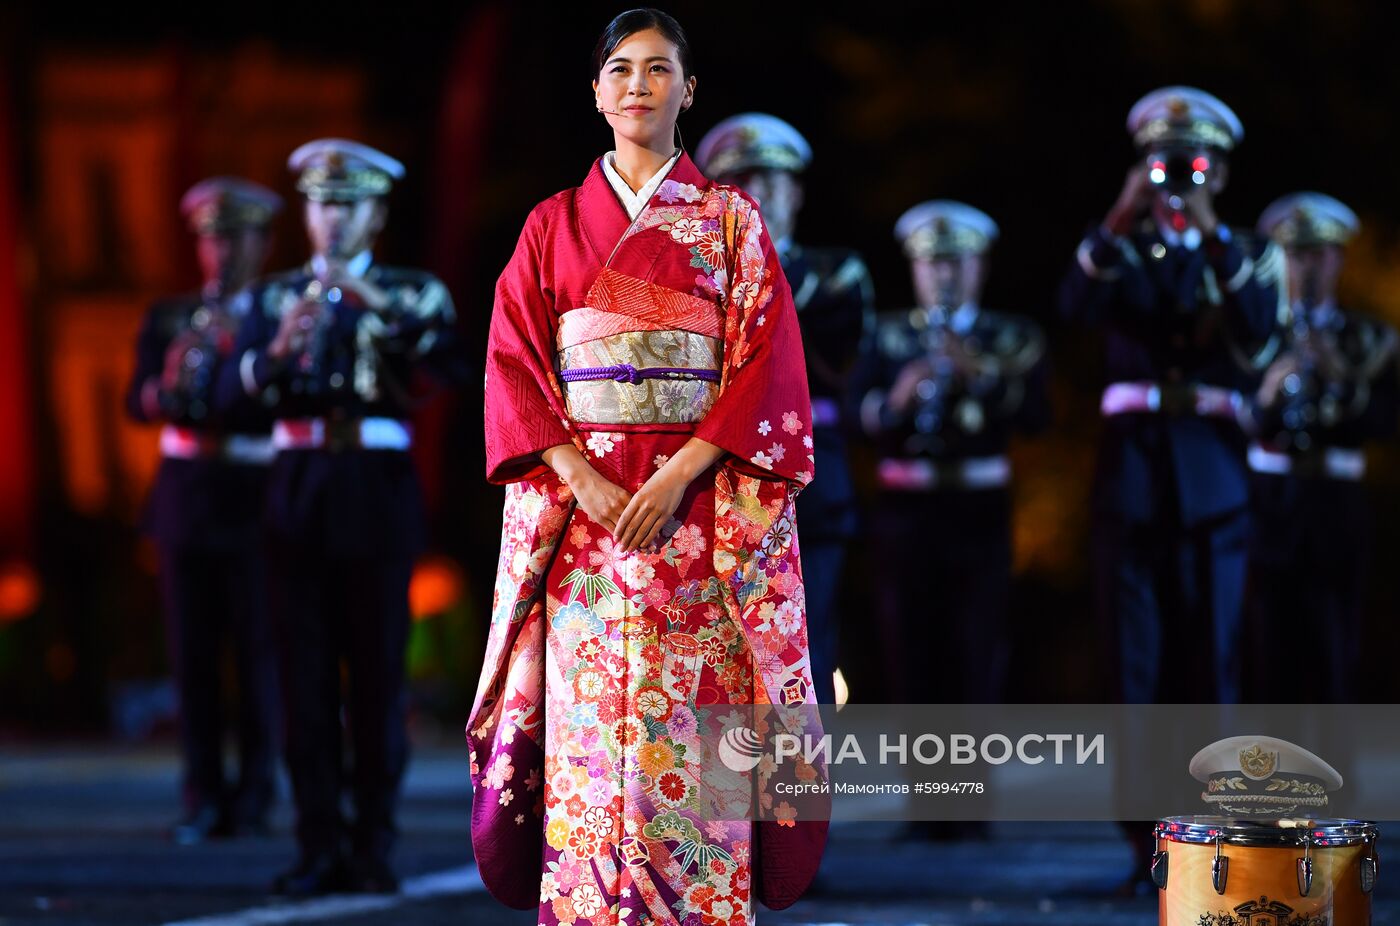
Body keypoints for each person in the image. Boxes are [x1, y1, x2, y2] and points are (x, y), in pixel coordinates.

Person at [466, 10, 827, 922]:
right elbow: (513, 362)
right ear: (596, 92)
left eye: (658, 69)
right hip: (583, 530)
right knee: (590, 750)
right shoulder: (551, 225)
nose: (638, 85)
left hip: (699, 525)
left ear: (688, 91)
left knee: (697, 743)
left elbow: (766, 370)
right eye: (620, 70)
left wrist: (677, 477)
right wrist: (581, 477)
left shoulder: (731, 223)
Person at [216, 139, 463, 895]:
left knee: (378, 677)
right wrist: (272, 356)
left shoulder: (413, 291)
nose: (332, 219)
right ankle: (317, 841)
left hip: (375, 489)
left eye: (349, 204)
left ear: (377, 213)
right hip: (296, 489)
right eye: (322, 204)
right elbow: (226, 396)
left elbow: (450, 369)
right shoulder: (268, 299)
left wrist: (383, 312)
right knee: (304, 680)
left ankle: (373, 844)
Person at [1059, 86, 1283, 897]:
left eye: (1196, 163)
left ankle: (1210, 841)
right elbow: (1074, 306)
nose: (1181, 176)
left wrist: (1212, 232)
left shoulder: (1246, 250)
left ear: (1221, 170)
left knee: (1211, 666)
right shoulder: (1121, 248)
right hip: (1134, 485)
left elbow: (1261, 332)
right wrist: (1123, 214)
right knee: (1137, 671)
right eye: (1166, 163)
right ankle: (1145, 846)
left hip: (1214, 485)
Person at [695, 112, 875, 706]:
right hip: (716, 477)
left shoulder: (835, 274)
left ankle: (800, 787)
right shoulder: (691, 277)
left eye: (770, 180)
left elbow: (845, 364)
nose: (757, 193)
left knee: (808, 636)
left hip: (807, 481)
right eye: (740, 180)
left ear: (796, 192)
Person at [126, 177, 282, 846]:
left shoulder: (276, 315)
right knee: (191, 660)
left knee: (256, 655)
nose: (221, 250)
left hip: (253, 492)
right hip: (187, 494)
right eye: (212, 237)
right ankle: (203, 797)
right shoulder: (171, 316)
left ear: (262, 242)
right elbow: (137, 401)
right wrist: (166, 383)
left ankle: (253, 796)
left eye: (235, 236)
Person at [853, 201, 1048, 706]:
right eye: (931, 263)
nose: (944, 275)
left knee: (977, 650)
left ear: (978, 266)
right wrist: (898, 398)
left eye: (956, 262)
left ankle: (972, 781)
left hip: (978, 510)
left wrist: (979, 375)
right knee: (909, 650)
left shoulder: (1010, 337)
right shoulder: (886, 334)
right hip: (905, 513)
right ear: (914, 267)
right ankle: (925, 785)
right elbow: (851, 417)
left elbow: (1036, 418)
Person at [1247, 193, 1398, 702]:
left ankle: (1334, 773)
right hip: (1270, 499)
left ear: (1338, 259)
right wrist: (1268, 393)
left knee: (1335, 643)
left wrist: (1337, 373)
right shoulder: (1256, 334)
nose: (1307, 266)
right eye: (1296, 254)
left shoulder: (1368, 338)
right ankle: (1266, 775)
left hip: (1335, 500)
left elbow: (1387, 419)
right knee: (1268, 646)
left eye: (1319, 254)